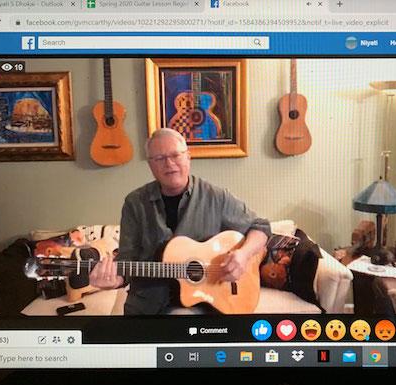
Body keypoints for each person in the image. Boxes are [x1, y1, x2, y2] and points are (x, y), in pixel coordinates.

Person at [89, 128, 270, 315]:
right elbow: (128, 260)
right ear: (150, 165)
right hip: (148, 305)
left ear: (188, 158)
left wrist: (243, 254)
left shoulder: (216, 197)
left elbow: (261, 227)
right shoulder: (135, 203)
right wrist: (114, 280)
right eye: (159, 158)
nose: (169, 164)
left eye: (175, 155)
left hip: (202, 304)